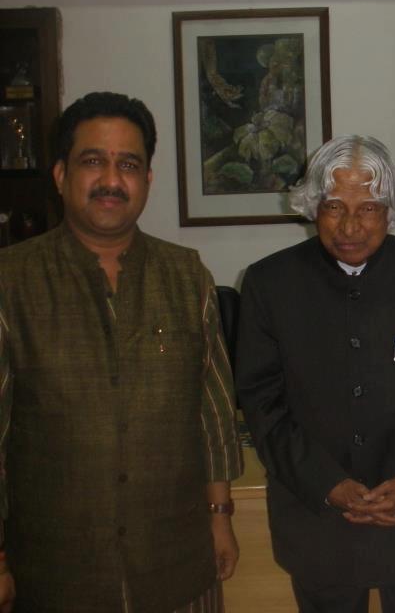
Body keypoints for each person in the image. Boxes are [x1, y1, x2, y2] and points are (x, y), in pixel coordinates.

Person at [0, 92, 243, 612]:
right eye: (93, 161)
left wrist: (220, 515)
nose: (112, 180)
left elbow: (214, 413)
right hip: (56, 574)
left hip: (178, 564)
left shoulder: (187, 276)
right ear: (61, 175)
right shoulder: (11, 282)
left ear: (147, 181)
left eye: (128, 165)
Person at [235, 136, 395, 613]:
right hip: (316, 520)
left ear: (391, 210)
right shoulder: (269, 282)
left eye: (368, 208)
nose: (350, 226)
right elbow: (262, 403)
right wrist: (326, 483)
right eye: (334, 207)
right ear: (313, 206)